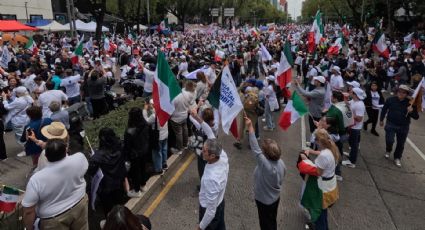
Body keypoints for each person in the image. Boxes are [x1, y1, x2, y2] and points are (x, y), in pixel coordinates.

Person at [22, 139, 89, 230]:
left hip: (54, 218)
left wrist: (29, 228)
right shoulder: (79, 158)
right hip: (80, 204)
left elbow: (29, 211)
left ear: (45, 156)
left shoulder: (36, 180)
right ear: (66, 150)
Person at [245, 116, 285, 230]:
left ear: (267, 155)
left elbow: (255, 148)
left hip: (264, 201)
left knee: (265, 223)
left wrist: (250, 127)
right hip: (275, 198)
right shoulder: (281, 163)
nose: (261, 151)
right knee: (272, 220)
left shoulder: (266, 166)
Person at [298, 128, 339, 230]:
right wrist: (311, 151)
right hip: (330, 185)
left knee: (319, 212)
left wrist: (305, 160)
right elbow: (321, 154)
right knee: (323, 212)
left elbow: (318, 172)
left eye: (315, 140)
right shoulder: (331, 149)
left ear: (319, 141)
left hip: (322, 189)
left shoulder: (324, 156)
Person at [88, 128, 127, 217]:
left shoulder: (98, 156)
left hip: (106, 188)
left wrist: (92, 157)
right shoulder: (120, 147)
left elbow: (91, 171)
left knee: (109, 211)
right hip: (119, 183)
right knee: (121, 207)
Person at [380, 85, 419, 167]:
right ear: (397, 91)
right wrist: (381, 119)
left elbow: (416, 117)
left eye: (404, 92)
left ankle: (397, 157)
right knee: (389, 140)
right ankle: (388, 150)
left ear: (407, 94)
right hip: (391, 124)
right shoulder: (390, 100)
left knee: (401, 144)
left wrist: (411, 111)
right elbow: (384, 109)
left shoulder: (410, 103)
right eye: (399, 91)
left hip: (404, 127)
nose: (401, 93)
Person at [198, 139, 229, 230]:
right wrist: (202, 123)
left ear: (212, 156)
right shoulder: (223, 156)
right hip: (220, 202)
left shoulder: (211, 179)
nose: (201, 151)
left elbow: (211, 211)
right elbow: (210, 133)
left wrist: (200, 227)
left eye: (204, 151)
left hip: (209, 210)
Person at [124, 107, 150, 198]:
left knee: (135, 173)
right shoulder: (145, 124)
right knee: (143, 168)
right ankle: (143, 185)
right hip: (144, 151)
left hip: (134, 155)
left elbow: (127, 146)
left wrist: (126, 158)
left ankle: (136, 190)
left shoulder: (129, 131)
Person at [169, 81, 196, 154]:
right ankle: (185, 144)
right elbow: (190, 102)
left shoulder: (174, 98)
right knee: (185, 129)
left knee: (179, 133)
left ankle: (180, 149)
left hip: (176, 118)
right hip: (184, 115)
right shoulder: (187, 94)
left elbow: (170, 109)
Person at [143, 99, 169, 175]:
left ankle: (158, 169)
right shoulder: (164, 111)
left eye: (151, 104)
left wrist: (144, 110)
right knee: (164, 149)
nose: (150, 105)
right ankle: (164, 164)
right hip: (165, 134)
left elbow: (146, 121)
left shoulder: (154, 116)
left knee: (157, 152)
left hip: (158, 137)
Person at [342, 87, 366, 168]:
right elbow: (348, 103)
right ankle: (351, 154)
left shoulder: (359, 105)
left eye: (351, 92)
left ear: (355, 94)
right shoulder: (353, 101)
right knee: (352, 143)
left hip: (355, 128)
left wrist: (349, 113)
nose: (350, 93)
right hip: (351, 126)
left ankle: (352, 162)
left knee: (354, 144)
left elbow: (359, 118)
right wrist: (344, 98)